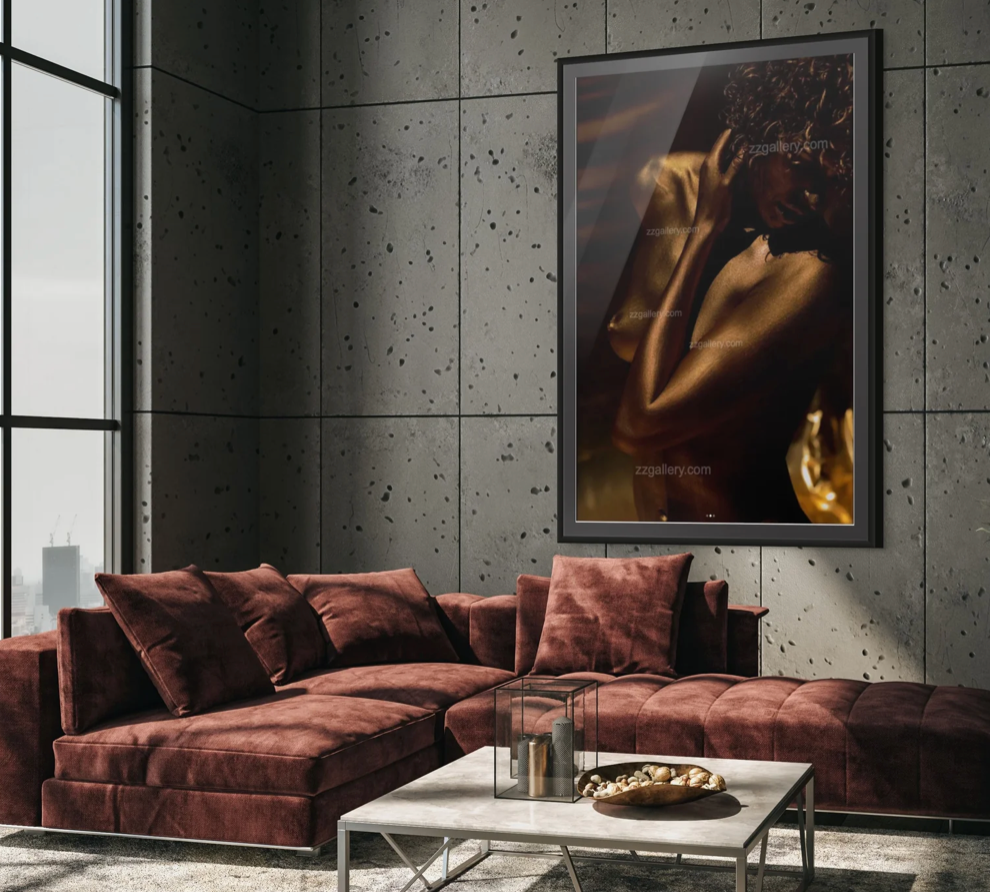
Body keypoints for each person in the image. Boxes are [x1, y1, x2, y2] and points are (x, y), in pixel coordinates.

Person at [607, 56, 854, 524]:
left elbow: (638, 425)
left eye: (828, 177)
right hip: (671, 544)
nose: (813, 196)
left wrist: (702, 232)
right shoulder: (686, 193)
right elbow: (630, 334)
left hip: (758, 550)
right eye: (798, 164)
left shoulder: (810, 273)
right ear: (759, 135)